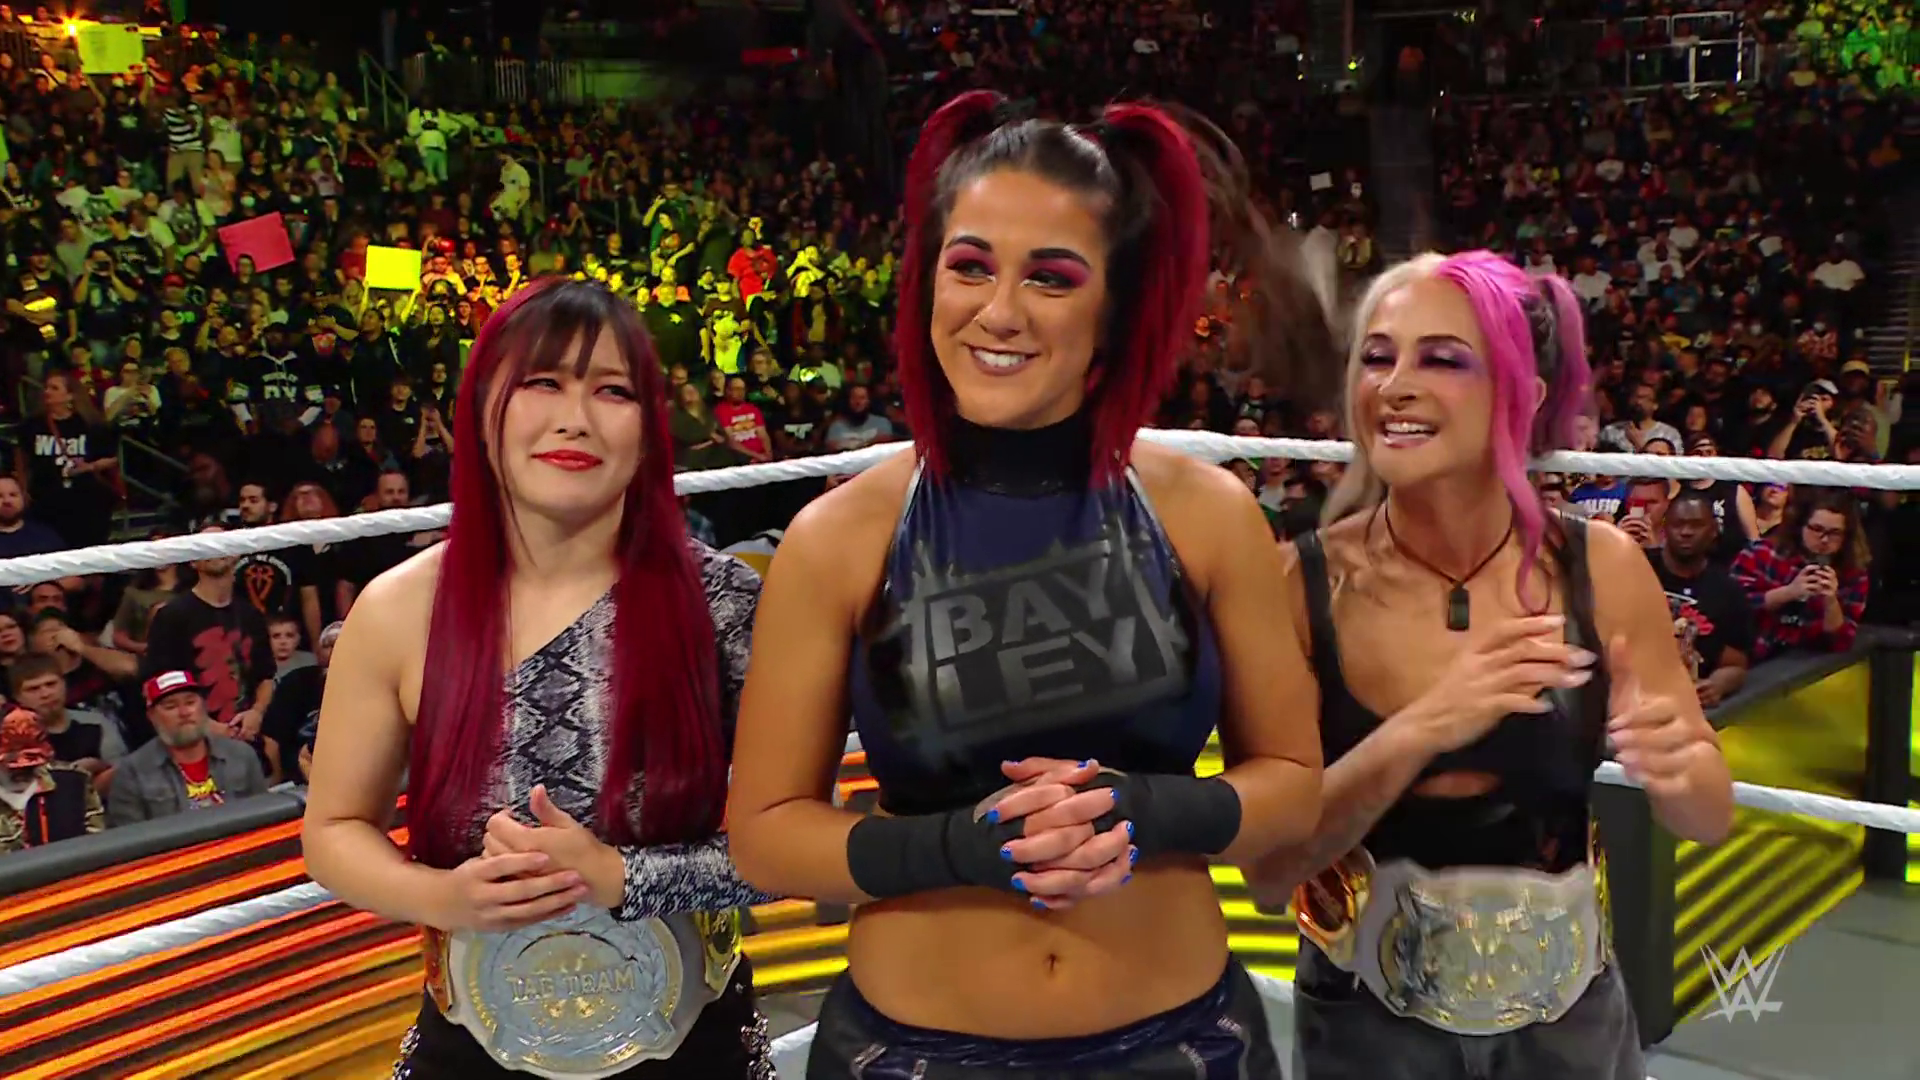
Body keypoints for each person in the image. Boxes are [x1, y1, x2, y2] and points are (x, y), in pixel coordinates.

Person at [727, 91, 1330, 1078]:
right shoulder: (838, 537)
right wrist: (959, 849)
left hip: (1181, 1043)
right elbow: (763, 834)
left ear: (1115, 307)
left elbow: (1294, 788)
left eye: (1050, 278)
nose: (998, 312)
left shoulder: (1210, 514)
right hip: (910, 1051)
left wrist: (1146, 812)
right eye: (970, 266)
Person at [1243, 251, 1734, 1080]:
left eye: (1441, 359)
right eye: (1377, 357)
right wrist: (1427, 726)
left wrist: (1680, 771)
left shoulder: (1601, 568)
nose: (1395, 385)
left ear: (1523, 396)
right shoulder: (1302, 584)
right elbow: (1266, 875)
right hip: (1367, 1028)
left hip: (1569, 1025)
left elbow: (1708, 818)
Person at [300, 280, 776, 1079]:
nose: (575, 418)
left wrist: (622, 878)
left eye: (613, 390)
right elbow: (334, 831)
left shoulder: (725, 602)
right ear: (483, 411)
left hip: (694, 1045)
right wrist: (444, 898)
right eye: (543, 382)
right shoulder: (398, 610)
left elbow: (795, 849)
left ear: (650, 428)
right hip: (472, 1045)